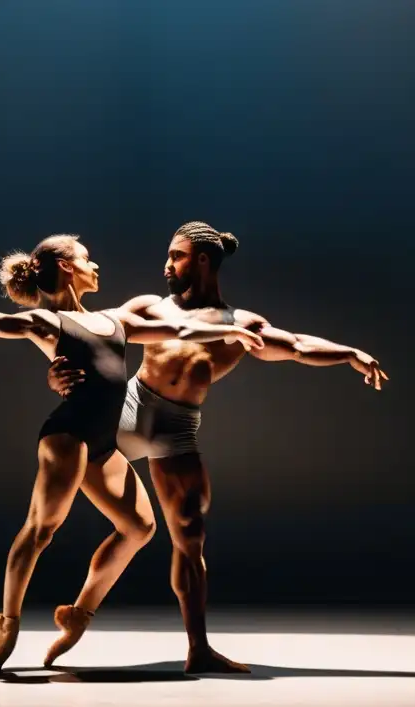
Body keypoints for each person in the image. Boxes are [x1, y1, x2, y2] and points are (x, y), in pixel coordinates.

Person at [0, 233, 263, 673]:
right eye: (87, 259)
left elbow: (179, 328)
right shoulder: (47, 323)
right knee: (42, 528)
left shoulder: (115, 321)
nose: (96, 266)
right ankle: (7, 624)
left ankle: (77, 614)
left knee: (141, 526)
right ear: (68, 268)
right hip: (68, 436)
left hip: (102, 444)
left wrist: (228, 329)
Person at [45, 221, 389, 674]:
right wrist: (56, 372)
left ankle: (197, 647)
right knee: (112, 521)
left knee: (189, 537)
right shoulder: (148, 307)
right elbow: (86, 334)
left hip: (176, 429)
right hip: (128, 411)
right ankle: (79, 614)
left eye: (177, 256)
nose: (167, 265)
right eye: (168, 256)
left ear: (203, 260)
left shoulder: (239, 325)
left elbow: (299, 345)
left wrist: (349, 353)